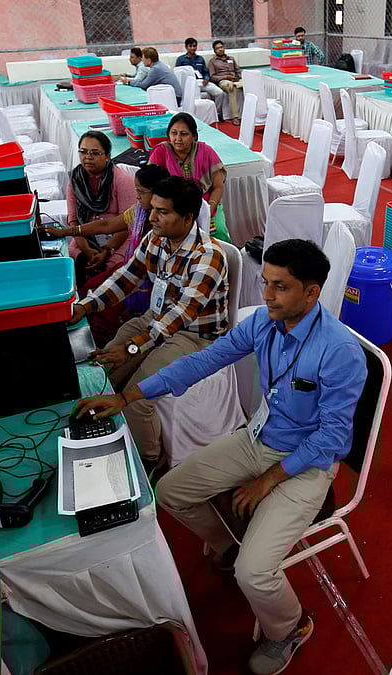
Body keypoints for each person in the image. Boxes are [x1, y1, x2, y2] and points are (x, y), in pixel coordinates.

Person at [75, 239, 366, 675]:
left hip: (307, 462)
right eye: (265, 283)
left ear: (312, 292)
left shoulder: (339, 352)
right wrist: (129, 394)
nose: (265, 296)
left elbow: (333, 439)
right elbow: (206, 360)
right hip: (258, 438)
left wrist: (268, 479)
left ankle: (290, 628)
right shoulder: (265, 323)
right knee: (170, 491)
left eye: (280, 287)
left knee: (254, 574)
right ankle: (230, 542)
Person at [70, 176, 229, 465]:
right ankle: (105, 435)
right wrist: (86, 306)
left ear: (188, 217)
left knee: (137, 399)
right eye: (153, 208)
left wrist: (132, 347)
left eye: (162, 212)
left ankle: (147, 462)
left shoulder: (208, 257)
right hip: (154, 320)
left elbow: (181, 315)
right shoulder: (156, 238)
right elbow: (126, 278)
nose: (151, 216)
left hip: (193, 336)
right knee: (102, 374)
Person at [47, 164, 170, 344]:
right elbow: (107, 225)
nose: (137, 196)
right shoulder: (140, 211)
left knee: (107, 308)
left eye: (141, 192)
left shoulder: (166, 225)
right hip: (135, 267)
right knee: (91, 287)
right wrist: (66, 232)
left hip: (152, 279)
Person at [62, 130, 137, 287]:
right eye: (83, 152)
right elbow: (74, 220)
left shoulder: (122, 180)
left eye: (95, 153)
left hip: (119, 236)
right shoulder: (75, 180)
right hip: (85, 235)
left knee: (112, 268)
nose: (88, 157)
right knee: (72, 258)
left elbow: (127, 223)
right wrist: (87, 249)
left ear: (107, 156)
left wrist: (107, 251)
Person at [148, 112, 229, 241]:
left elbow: (218, 187)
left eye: (184, 134)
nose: (178, 138)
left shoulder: (206, 151)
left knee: (218, 232)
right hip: (172, 208)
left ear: (194, 136)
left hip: (206, 204)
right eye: (174, 133)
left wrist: (207, 212)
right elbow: (149, 186)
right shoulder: (161, 153)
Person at [176, 37, 224, 113]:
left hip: (201, 82)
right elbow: (178, 74)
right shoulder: (181, 60)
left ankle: (217, 113)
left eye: (194, 46)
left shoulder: (200, 59)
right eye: (190, 46)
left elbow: (205, 72)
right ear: (186, 47)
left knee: (220, 93)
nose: (192, 48)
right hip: (189, 84)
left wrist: (206, 79)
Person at [208, 39, 243, 125]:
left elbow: (238, 71)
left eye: (221, 47)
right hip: (223, 81)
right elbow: (212, 77)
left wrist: (241, 77)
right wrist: (226, 77)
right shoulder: (212, 61)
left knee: (250, 83)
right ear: (214, 51)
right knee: (232, 88)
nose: (220, 49)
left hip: (235, 80)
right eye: (217, 48)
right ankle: (235, 117)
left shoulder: (231, 58)